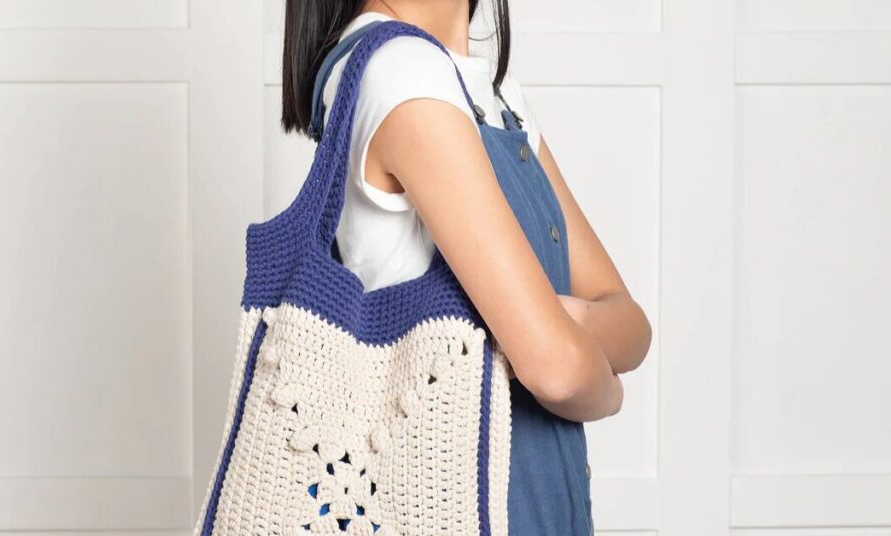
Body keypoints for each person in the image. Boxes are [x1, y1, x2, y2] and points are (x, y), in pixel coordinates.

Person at [280, 1, 653, 534]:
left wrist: (563, 321)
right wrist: (606, 389)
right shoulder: (400, 69)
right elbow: (559, 371)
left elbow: (632, 325)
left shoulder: (495, 96)